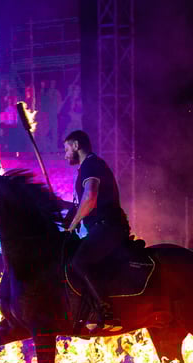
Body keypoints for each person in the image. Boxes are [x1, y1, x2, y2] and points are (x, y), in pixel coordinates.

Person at [64, 130, 131, 331]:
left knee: (79, 261)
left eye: (66, 149)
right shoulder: (88, 166)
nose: (65, 154)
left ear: (76, 145)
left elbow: (90, 197)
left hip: (109, 226)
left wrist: (73, 225)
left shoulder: (91, 164)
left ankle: (106, 312)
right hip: (101, 227)